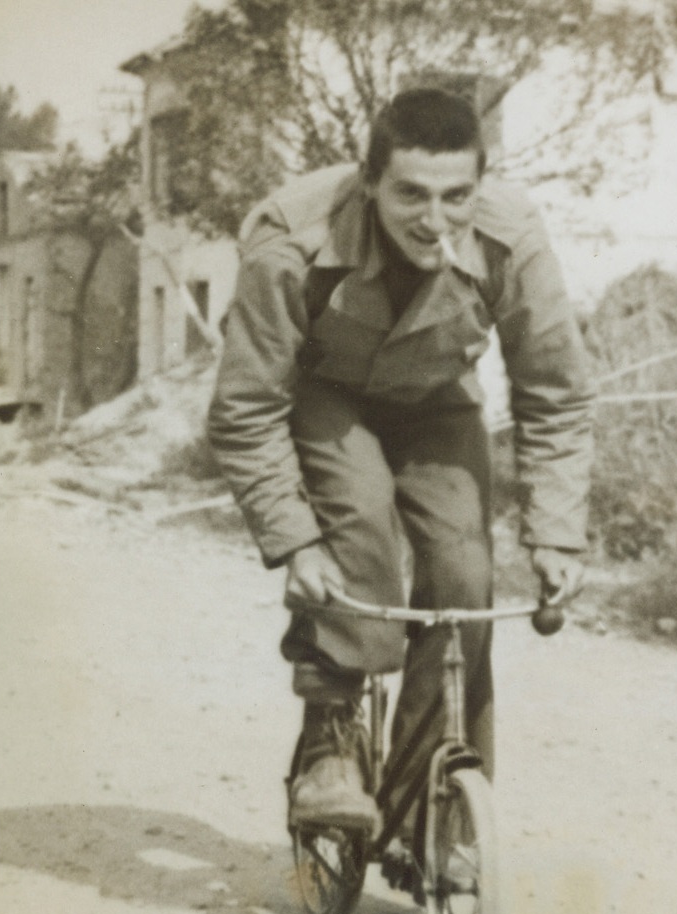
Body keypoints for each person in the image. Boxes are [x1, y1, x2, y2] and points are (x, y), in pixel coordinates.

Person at [207, 87, 594, 840]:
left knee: (464, 578)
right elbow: (246, 406)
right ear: (370, 179)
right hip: (327, 392)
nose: (435, 218)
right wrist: (295, 541)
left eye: (457, 197)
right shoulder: (293, 240)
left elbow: (556, 394)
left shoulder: (511, 241)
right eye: (411, 193)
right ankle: (330, 741)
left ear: (479, 186)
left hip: (435, 400)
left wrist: (557, 534)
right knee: (358, 529)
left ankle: (431, 807)